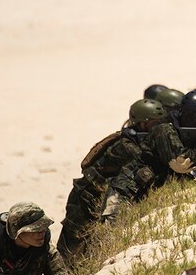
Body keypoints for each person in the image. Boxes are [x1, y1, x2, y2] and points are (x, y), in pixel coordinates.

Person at [57, 99, 167, 262]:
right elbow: (147, 160)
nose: (159, 127)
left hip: (98, 197)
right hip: (85, 199)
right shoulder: (125, 146)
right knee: (71, 253)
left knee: (91, 247)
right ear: (142, 125)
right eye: (155, 123)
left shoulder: (134, 140)